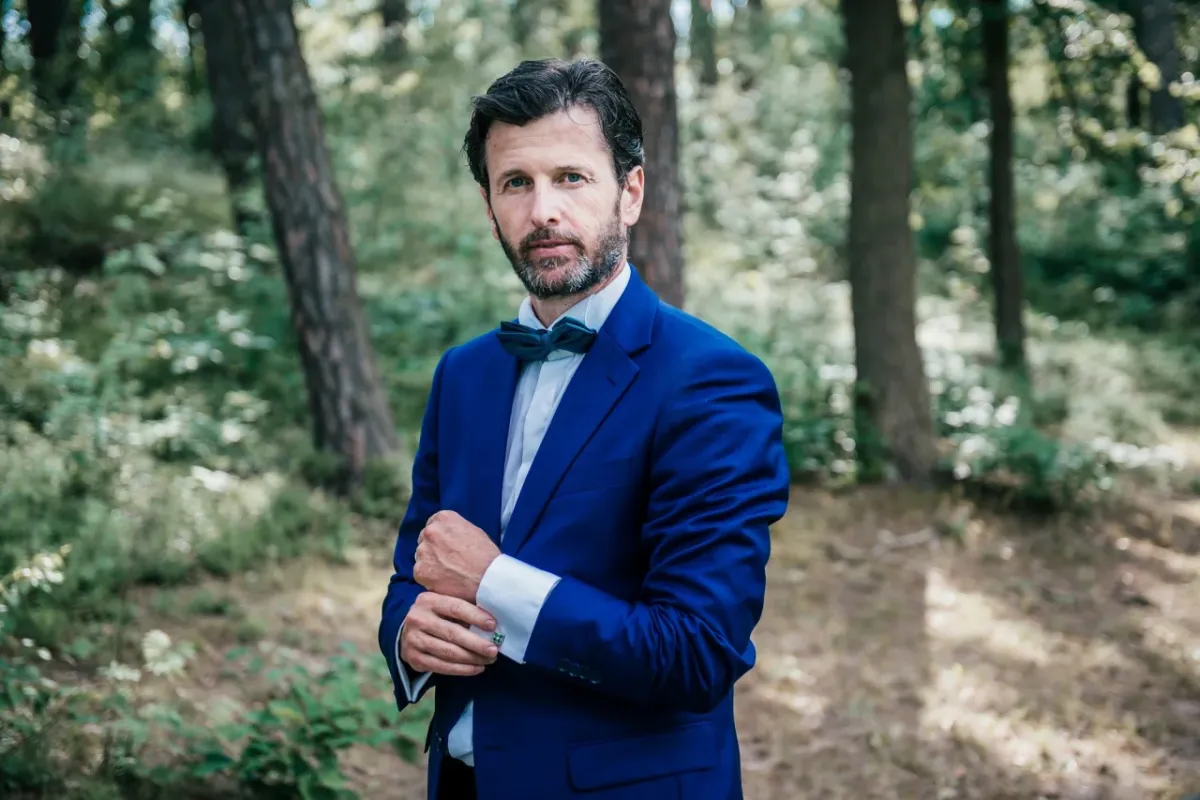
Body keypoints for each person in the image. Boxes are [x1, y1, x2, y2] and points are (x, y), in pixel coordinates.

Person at [378, 57, 790, 800]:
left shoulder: (711, 380)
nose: (543, 211)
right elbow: (419, 568)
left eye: (571, 177)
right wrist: (408, 632)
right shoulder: (463, 376)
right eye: (516, 183)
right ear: (489, 206)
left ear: (630, 192)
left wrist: (494, 583)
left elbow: (697, 653)